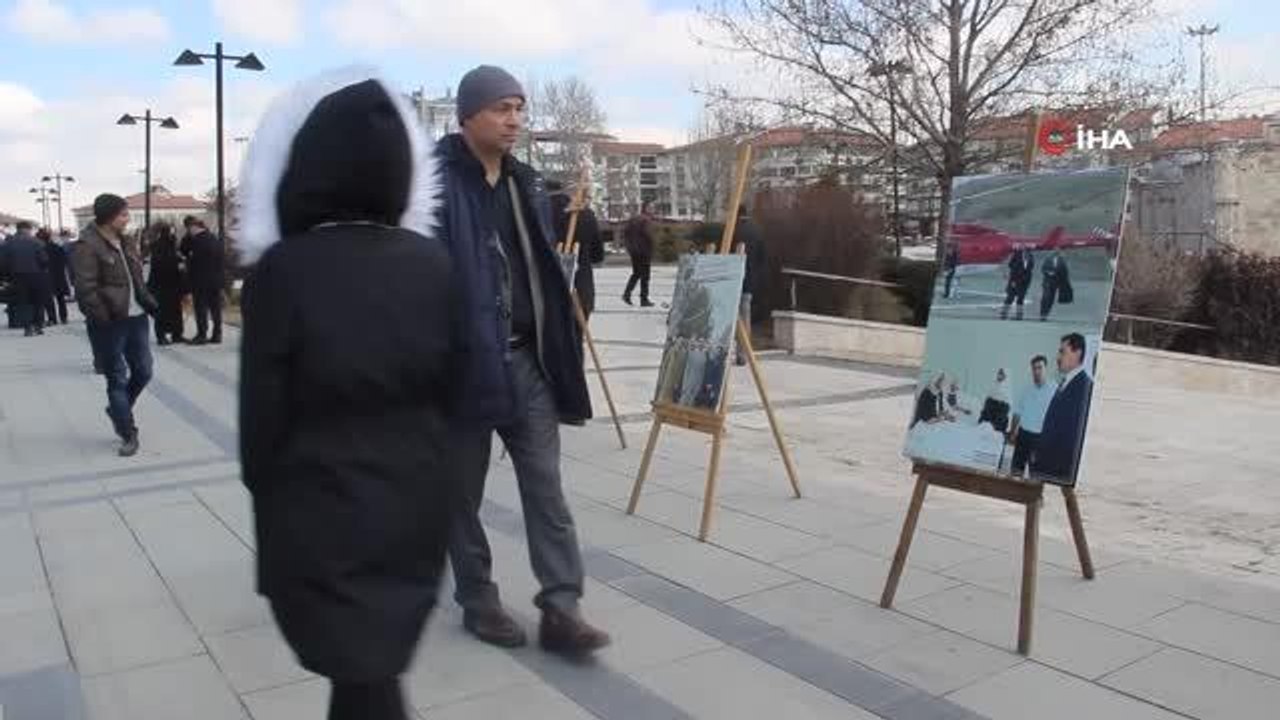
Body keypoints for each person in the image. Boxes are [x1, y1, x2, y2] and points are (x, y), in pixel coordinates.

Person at [237, 68, 458, 720]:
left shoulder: (284, 271)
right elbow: (458, 385)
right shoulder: (432, 264)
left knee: (359, 676)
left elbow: (261, 419)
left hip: (318, 505)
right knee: (373, 672)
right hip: (415, 499)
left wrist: (268, 497)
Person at [436, 64, 608, 656]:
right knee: (460, 492)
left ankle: (562, 607)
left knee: (546, 489)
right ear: (467, 115)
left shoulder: (527, 184)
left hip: (527, 363)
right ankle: (477, 597)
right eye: (501, 108)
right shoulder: (431, 184)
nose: (514, 120)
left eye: (519, 108)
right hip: (461, 370)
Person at [70, 195, 158, 456]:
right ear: (109, 217)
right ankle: (127, 431)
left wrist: (150, 303)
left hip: (137, 318)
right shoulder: (86, 246)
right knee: (116, 377)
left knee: (144, 371)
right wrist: (104, 318)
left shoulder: (128, 241)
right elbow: (85, 290)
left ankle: (118, 410)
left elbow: (137, 281)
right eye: (123, 214)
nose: (128, 218)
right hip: (109, 322)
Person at [1031, 334, 1094, 482]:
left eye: (1062, 352)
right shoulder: (1065, 382)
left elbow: (1071, 437)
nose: (1058, 357)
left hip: (1056, 470)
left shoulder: (1084, 387)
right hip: (1045, 466)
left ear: (1077, 353)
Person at [548, 181, 604, 319]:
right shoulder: (585, 214)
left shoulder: (537, 213)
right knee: (576, 336)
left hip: (547, 295)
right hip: (581, 290)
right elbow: (597, 254)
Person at [181, 216, 225, 344]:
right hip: (216, 280)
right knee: (215, 308)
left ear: (192, 227)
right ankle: (217, 335)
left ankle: (202, 335)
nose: (188, 232)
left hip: (200, 281)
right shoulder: (214, 238)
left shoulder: (196, 241)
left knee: (201, 308)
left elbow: (187, 254)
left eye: (188, 229)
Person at [1009, 355, 1055, 477]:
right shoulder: (1026, 389)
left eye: (1040, 368)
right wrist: (1013, 433)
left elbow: (1057, 418)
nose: (1037, 371)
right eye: (1034, 368)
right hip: (1023, 435)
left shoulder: (1054, 390)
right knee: (1015, 471)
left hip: (1040, 439)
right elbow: (1017, 412)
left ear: (1046, 369)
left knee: (1035, 473)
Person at [733, 203, 767, 366]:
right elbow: (763, 258)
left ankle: (729, 351)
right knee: (745, 316)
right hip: (749, 280)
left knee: (730, 318)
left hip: (732, 280)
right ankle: (742, 354)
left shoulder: (732, 230)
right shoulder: (757, 230)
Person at [1, 222, 50, 336]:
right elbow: (44, 260)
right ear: (27, 229)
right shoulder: (36, 242)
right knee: (37, 301)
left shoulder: (8, 244)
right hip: (35, 275)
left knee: (23, 302)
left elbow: (3, 263)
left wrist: (7, 277)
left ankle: (27, 327)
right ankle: (38, 326)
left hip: (17, 277)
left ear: (18, 229)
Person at [147, 224, 187, 345]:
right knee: (162, 311)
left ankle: (177, 334)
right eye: (171, 232)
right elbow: (160, 264)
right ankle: (162, 336)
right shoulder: (158, 247)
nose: (173, 235)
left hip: (173, 284)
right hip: (162, 284)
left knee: (175, 311)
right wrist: (177, 264)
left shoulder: (172, 245)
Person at [622, 200, 655, 307]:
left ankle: (627, 294)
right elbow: (648, 235)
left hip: (634, 251)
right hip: (644, 251)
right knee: (645, 275)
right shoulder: (646, 220)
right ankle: (643, 299)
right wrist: (653, 245)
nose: (653, 209)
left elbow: (626, 233)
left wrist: (629, 247)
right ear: (646, 208)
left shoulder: (633, 219)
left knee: (636, 273)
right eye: (651, 207)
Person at [1001, 247, 1034, 320]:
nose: (1027, 254)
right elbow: (1012, 268)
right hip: (1015, 281)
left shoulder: (1031, 258)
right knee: (1010, 298)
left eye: (1028, 253)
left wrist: (1027, 284)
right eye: (1025, 252)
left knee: (1020, 299)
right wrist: (1012, 281)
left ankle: (1019, 315)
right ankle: (1004, 314)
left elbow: (1030, 271)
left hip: (1024, 283)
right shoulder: (1017, 255)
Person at [1039, 250, 1072, 322]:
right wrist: (1048, 272)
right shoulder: (1048, 259)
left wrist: (1064, 283)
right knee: (1045, 297)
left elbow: (1064, 272)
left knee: (1051, 299)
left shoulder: (1062, 261)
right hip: (1047, 281)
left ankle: (1046, 314)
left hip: (1055, 283)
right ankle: (1042, 313)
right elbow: (1043, 269)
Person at [977, 367, 1013, 433]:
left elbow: (1004, 413)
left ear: (1006, 376)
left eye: (1002, 374)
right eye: (999, 373)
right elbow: (986, 406)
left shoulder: (1007, 391)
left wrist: (993, 426)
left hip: (998, 423)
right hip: (987, 419)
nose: (1000, 376)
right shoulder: (993, 385)